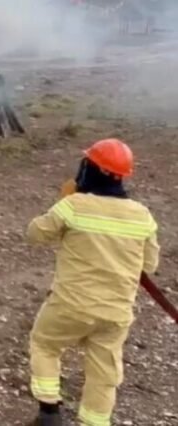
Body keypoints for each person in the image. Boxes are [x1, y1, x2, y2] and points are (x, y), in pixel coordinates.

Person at [26, 139, 160, 426]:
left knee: (45, 344)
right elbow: (149, 266)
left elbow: (35, 234)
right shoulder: (143, 215)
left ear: (88, 169)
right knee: (104, 374)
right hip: (115, 313)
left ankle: (49, 412)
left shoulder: (74, 205)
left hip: (70, 305)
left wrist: (63, 202)